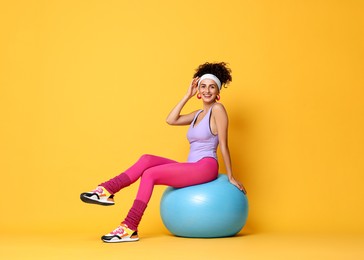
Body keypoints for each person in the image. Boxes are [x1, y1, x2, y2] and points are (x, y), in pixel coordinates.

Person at [80, 62, 246, 243]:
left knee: (150, 174)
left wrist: (230, 176)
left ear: (218, 91)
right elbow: (171, 120)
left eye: (211, 87)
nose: (207, 91)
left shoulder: (218, 110)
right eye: (203, 86)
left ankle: (130, 227)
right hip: (192, 166)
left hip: (206, 166)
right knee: (146, 159)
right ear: (198, 89)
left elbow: (224, 145)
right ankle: (107, 190)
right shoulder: (198, 114)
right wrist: (187, 96)